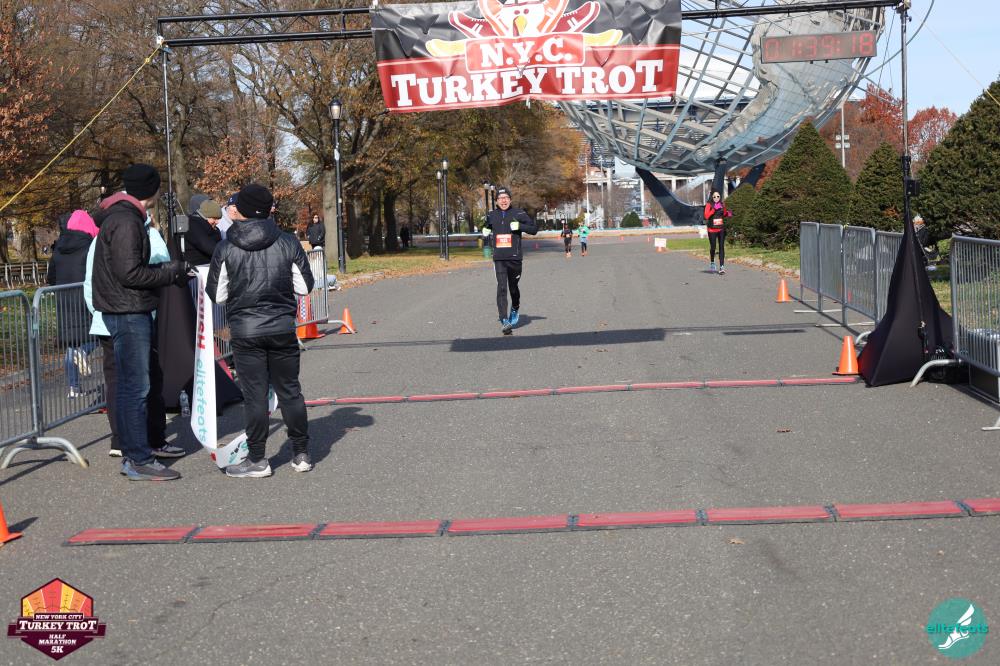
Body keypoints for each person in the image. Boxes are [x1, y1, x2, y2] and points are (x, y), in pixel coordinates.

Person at [207, 183, 315, 478]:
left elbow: (217, 295)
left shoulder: (226, 247)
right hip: (281, 326)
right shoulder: (288, 242)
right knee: (290, 391)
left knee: (254, 396)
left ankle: (257, 459)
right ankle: (301, 453)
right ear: (269, 210)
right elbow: (304, 287)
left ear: (240, 209)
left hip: (246, 330)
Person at [92, 164, 187, 480]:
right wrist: (169, 273)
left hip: (124, 309)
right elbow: (129, 273)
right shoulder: (126, 221)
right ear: (152, 190)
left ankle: (135, 452)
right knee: (136, 387)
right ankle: (137, 458)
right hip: (128, 311)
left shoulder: (122, 217)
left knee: (130, 386)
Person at [47, 210, 99, 398]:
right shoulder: (90, 246)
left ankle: (73, 388)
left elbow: (50, 277)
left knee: (71, 344)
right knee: (98, 336)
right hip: (85, 298)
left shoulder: (59, 248)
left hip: (64, 302)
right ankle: (83, 352)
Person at [482, 186, 538, 334]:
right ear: (496, 201)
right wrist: (485, 232)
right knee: (501, 288)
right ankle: (504, 320)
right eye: (500, 198)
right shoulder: (491, 215)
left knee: (513, 287)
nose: (503, 200)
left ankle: (515, 307)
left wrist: (520, 226)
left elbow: (534, 229)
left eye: (506, 198)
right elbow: (487, 227)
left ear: (510, 200)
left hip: (515, 258)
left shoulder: (518, 213)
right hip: (499, 258)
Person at [184, 195, 223, 266]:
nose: (217, 222)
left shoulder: (214, 229)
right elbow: (209, 247)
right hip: (197, 268)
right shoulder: (191, 225)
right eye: (214, 218)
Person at [703, 190, 732, 274]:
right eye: (714, 197)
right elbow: (706, 216)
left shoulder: (722, 204)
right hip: (712, 229)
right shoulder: (709, 205)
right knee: (713, 247)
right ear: (712, 197)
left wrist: (729, 214)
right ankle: (712, 262)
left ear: (720, 197)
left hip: (721, 229)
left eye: (718, 196)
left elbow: (724, 213)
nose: (716, 198)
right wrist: (713, 209)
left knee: (721, 247)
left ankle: (722, 267)